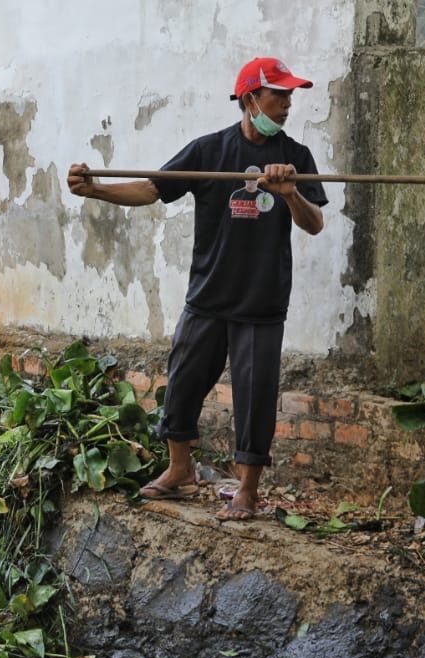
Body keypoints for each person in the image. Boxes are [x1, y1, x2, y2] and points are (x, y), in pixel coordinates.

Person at [67, 56, 327, 522]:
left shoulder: (296, 158)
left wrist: (290, 194)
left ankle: (247, 492)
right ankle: (180, 470)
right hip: (208, 296)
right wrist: (96, 190)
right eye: (279, 95)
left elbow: (314, 223)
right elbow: (152, 189)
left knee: (254, 396)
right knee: (182, 384)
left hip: (261, 301)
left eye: (290, 96)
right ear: (251, 99)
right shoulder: (208, 151)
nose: (288, 104)